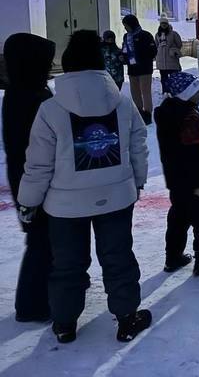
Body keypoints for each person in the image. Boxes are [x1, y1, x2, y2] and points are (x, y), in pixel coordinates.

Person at [17, 30, 150, 344]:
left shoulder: (50, 109)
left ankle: (64, 323)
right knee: (118, 257)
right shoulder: (122, 103)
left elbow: (38, 164)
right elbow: (137, 145)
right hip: (116, 197)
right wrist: (139, 180)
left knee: (67, 263)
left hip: (64, 206)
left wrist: (28, 201)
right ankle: (127, 317)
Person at [2, 33, 55, 323]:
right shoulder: (32, 97)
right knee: (40, 241)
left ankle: (38, 297)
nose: (49, 68)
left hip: (27, 176)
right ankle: (32, 304)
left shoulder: (21, 91)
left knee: (40, 239)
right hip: (34, 179)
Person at [154, 72, 199, 277]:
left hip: (175, 179)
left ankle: (173, 256)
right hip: (195, 181)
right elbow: (196, 155)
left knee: (178, 216)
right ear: (186, 95)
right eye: (196, 90)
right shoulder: (190, 119)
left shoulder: (166, 113)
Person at [121, 14, 157, 125]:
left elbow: (153, 51)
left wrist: (140, 56)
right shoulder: (126, 36)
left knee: (145, 92)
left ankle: (147, 114)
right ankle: (139, 112)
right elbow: (125, 49)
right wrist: (123, 56)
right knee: (135, 92)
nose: (125, 28)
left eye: (126, 25)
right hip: (132, 68)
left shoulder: (145, 35)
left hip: (144, 68)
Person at [155, 15, 183, 94]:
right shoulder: (158, 34)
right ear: (160, 24)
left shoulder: (173, 34)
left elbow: (179, 44)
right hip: (161, 61)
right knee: (163, 79)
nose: (163, 25)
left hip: (171, 60)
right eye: (162, 23)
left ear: (167, 24)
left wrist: (173, 49)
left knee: (174, 78)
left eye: (165, 23)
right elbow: (156, 45)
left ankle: (175, 92)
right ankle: (165, 92)